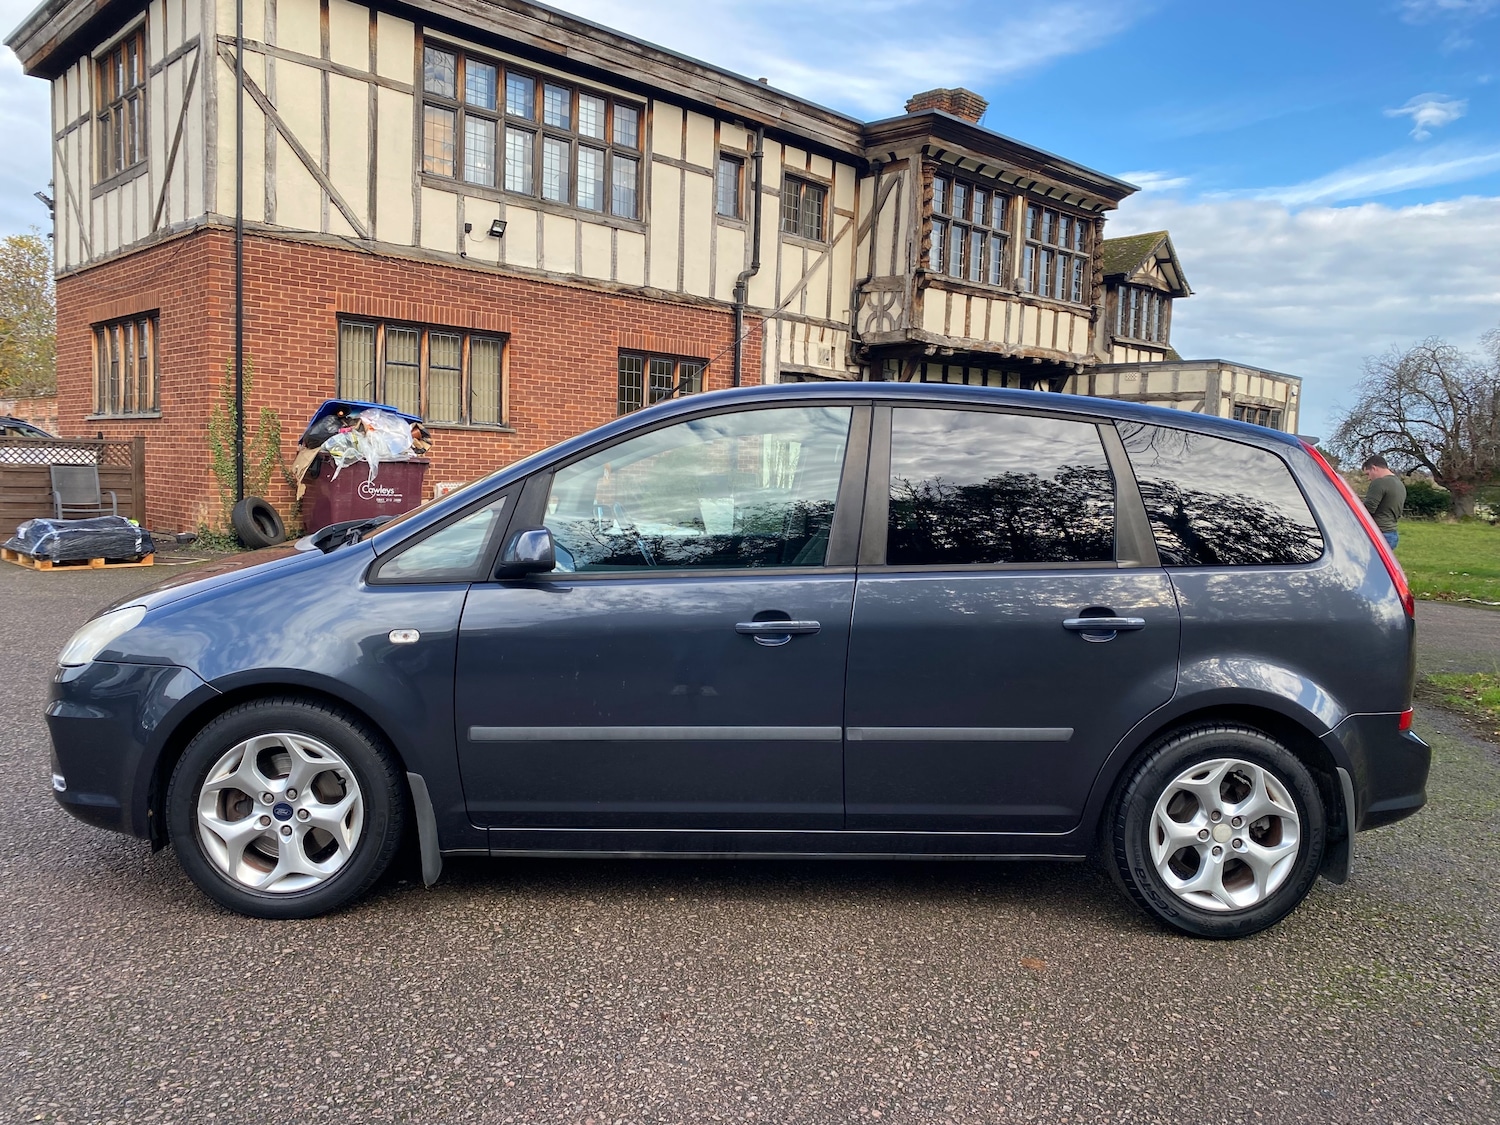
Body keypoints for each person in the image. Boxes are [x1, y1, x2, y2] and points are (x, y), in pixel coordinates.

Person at [1361, 454, 1405, 549]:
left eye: (1368, 474)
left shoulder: (1379, 482)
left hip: (1379, 534)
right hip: (1392, 534)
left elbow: (1368, 509)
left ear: (1374, 468)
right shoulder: (1399, 484)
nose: (1369, 478)